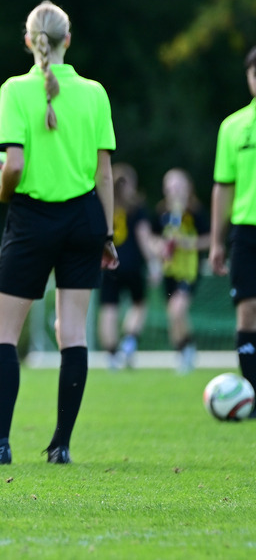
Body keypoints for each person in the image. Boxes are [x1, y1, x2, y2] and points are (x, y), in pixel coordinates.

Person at [0, 0, 117, 467]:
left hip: (33, 220)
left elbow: (16, 165)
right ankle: (60, 445)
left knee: (2, 332)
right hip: (85, 218)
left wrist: (2, 194)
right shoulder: (95, 93)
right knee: (73, 332)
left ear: (29, 41)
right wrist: (106, 234)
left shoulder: (14, 90)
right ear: (69, 39)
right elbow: (104, 174)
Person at [210, 46, 256, 400]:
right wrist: (216, 241)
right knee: (247, 311)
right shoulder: (233, 126)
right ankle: (251, 396)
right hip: (246, 231)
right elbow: (223, 188)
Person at [152, 168, 210, 374]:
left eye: (178, 185)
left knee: (178, 310)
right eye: (169, 186)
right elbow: (153, 239)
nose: (173, 190)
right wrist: (160, 247)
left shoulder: (195, 212)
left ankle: (187, 350)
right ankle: (184, 348)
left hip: (189, 271)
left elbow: (210, 238)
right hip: (169, 271)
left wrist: (188, 243)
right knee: (173, 315)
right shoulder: (162, 213)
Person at [98, 163, 155, 369]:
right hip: (132, 265)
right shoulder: (137, 207)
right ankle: (129, 340)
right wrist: (153, 263)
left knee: (108, 308)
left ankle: (112, 355)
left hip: (108, 263)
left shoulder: (105, 205)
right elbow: (143, 237)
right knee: (138, 304)